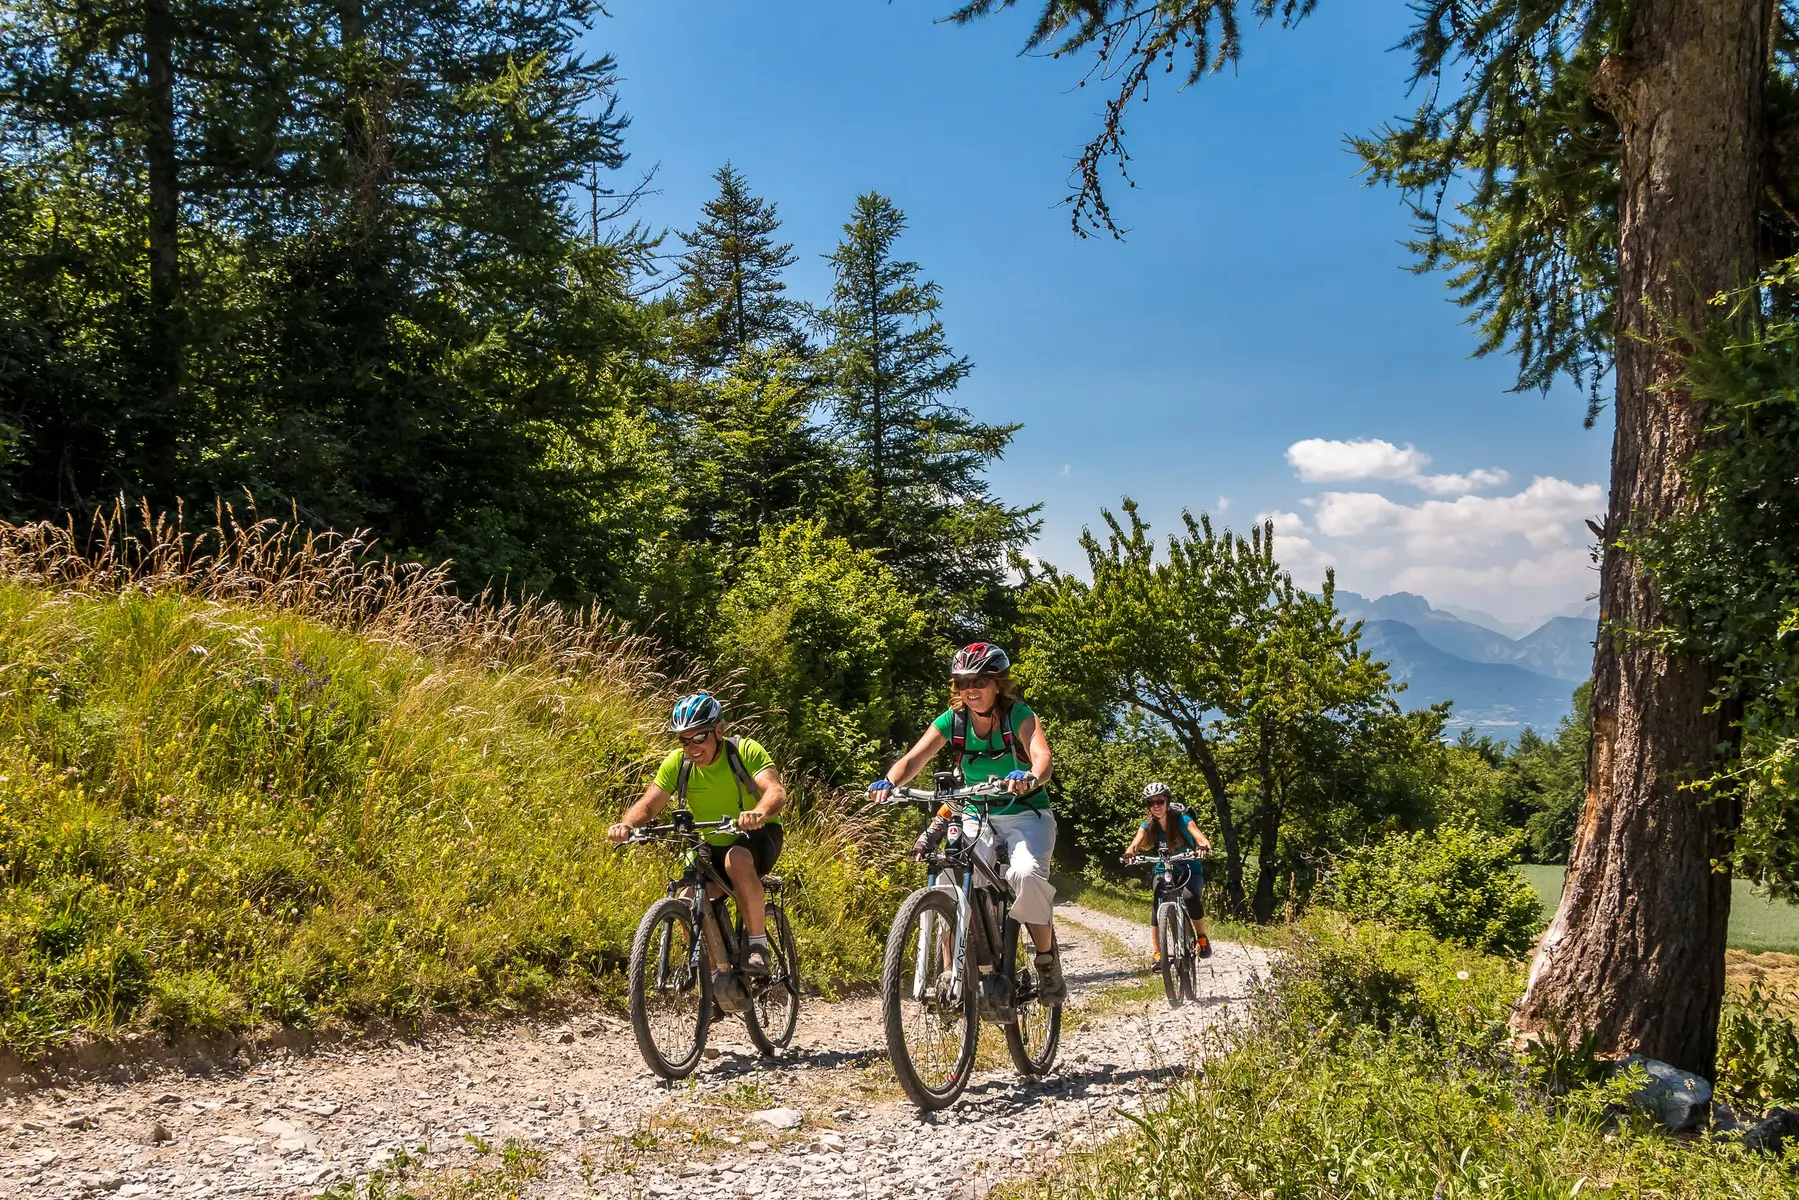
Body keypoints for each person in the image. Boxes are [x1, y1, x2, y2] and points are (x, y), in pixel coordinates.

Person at [868, 642, 1066, 1005]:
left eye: (978, 681)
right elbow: (913, 759)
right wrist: (890, 782)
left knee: (1025, 875)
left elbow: (1043, 757)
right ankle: (953, 974)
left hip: (1025, 813)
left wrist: (1030, 776)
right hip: (977, 814)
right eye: (962, 682)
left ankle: (1046, 959)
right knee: (950, 880)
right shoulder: (953, 720)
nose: (970, 689)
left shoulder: (1019, 715)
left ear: (998, 684)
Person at [609, 693, 788, 975]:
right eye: (684, 740)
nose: (692, 748)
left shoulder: (744, 751)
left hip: (757, 834)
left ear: (719, 731)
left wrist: (758, 813)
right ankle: (712, 976)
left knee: (736, 859)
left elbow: (775, 791)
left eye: (699, 737)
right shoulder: (678, 763)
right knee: (688, 899)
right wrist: (627, 825)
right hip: (709, 840)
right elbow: (649, 804)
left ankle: (758, 946)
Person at [1123, 782, 1213, 960]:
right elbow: (1134, 845)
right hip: (1163, 869)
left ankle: (1201, 937)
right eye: (1151, 802)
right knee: (1158, 901)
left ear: (1167, 801)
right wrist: (1129, 854)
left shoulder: (1182, 820)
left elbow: (1201, 839)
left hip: (1189, 867)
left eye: (1160, 801)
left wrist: (1203, 847)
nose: (1156, 806)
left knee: (1190, 896)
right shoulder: (1148, 825)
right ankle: (1157, 953)